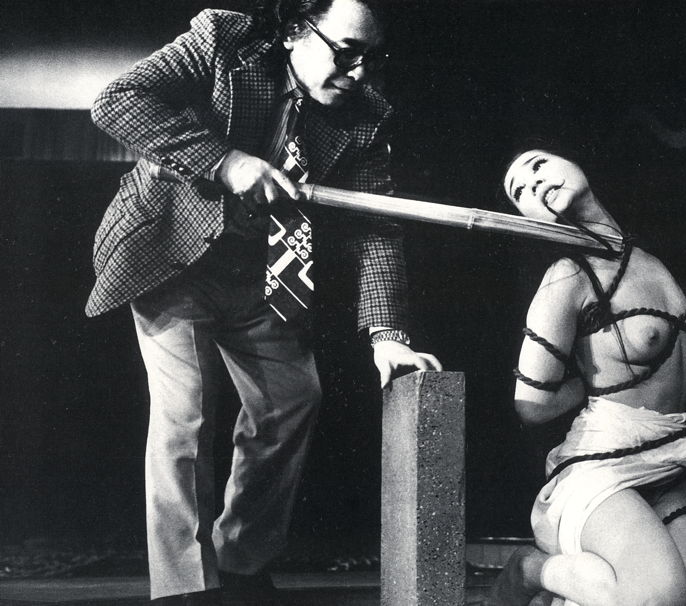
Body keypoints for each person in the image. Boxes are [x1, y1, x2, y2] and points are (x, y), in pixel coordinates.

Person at [86, 1, 441, 604]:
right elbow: (117, 100)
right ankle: (187, 588)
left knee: (293, 400)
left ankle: (241, 561)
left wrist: (388, 335)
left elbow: (376, 228)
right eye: (347, 52)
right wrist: (225, 161)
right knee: (187, 414)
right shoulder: (222, 41)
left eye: (371, 59)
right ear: (297, 31)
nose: (359, 73)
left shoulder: (366, 114)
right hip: (171, 256)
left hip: (258, 273)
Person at [484, 149, 686, 606]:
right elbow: (530, 405)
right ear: (526, 217)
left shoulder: (651, 257)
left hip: (669, 458)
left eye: (538, 165)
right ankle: (529, 570)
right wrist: (594, 387)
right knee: (658, 597)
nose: (534, 183)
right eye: (519, 191)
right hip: (603, 464)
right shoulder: (566, 278)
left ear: (573, 162)